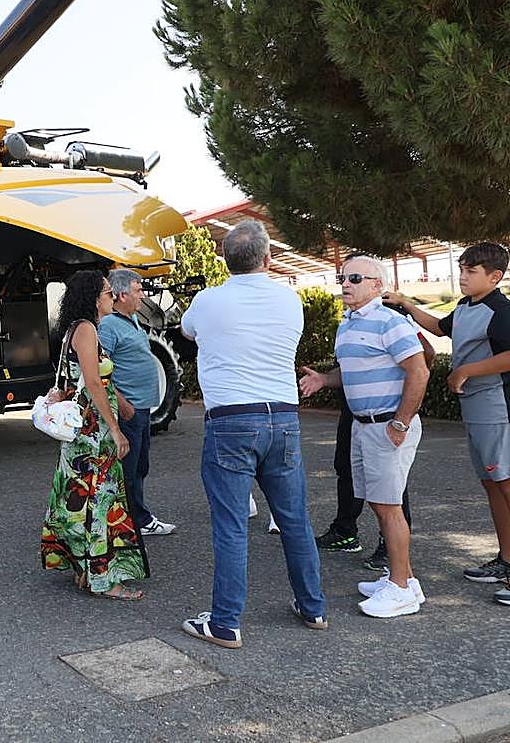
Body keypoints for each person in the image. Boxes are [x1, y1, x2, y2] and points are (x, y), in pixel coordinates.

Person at [178, 219, 325, 648]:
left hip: (230, 421)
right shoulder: (289, 300)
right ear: (268, 257)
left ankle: (225, 622)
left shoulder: (208, 300)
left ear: (225, 260)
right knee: (294, 519)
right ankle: (312, 606)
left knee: (231, 526)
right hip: (283, 418)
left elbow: (188, 331)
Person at [300, 257, 430, 618]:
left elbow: (419, 370)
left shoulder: (390, 321)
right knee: (377, 502)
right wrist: (325, 380)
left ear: (377, 285)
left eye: (355, 278)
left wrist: (401, 423)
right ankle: (404, 577)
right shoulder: (350, 323)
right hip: (363, 425)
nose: (345, 283)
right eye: (342, 277)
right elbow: (354, 370)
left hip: (387, 426)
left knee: (389, 507)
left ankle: (401, 588)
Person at [385, 242, 510, 607]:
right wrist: (407, 305)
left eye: (471, 271)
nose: (463, 277)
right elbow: (440, 328)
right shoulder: (466, 307)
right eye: (462, 270)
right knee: (492, 484)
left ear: (495, 276)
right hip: (476, 407)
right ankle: (505, 561)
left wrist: (467, 370)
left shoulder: (500, 310)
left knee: (504, 483)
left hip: (496, 406)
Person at [41, 270, 149, 599]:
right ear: (92, 298)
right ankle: (104, 581)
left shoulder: (77, 329)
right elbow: (93, 384)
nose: (111, 297)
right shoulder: (87, 329)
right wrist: (116, 430)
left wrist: (124, 406)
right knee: (99, 501)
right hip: (92, 432)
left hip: (82, 433)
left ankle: (84, 570)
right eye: (105, 292)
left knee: (81, 500)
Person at [97, 268, 175, 535]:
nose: (142, 295)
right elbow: (100, 369)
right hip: (128, 410)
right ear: (120, 295)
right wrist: (123, 404)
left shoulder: (132, 320)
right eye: (137, 290)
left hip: (141, 408)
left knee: (139, 466)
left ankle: (135, 519)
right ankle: (131, 523)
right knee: (128, 470)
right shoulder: (108, 326)